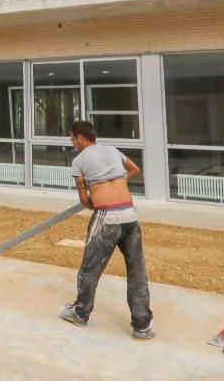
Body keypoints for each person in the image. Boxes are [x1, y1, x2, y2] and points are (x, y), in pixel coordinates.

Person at [59, 120, 154, 340]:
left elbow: (84, 200)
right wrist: (115, 181)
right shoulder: (112, 151)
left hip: (106, 218)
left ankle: (80, 312)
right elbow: (134, 169)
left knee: (89, 269)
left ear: (81, 137)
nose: (72, 143)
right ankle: (142, 325)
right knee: (137, 271)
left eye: (72, 138)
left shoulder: (79, 161)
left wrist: (96, 195)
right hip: (130, 215)